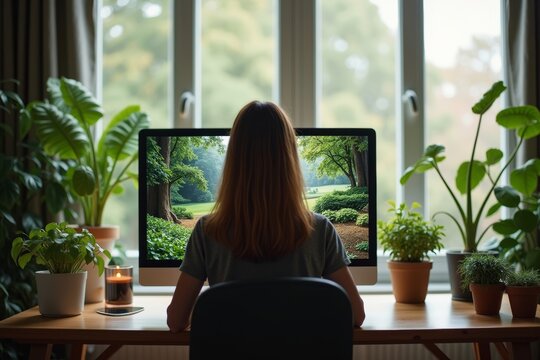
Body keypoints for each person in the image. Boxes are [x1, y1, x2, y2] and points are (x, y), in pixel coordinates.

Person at [167, 101, 365, 332]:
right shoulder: (320, 229)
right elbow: (356, 315)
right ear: (289, 158)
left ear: (234, 159)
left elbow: (176, 321)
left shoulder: (207, 230)